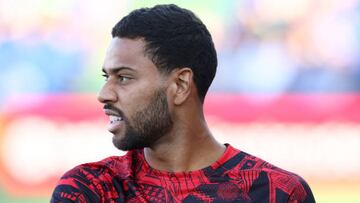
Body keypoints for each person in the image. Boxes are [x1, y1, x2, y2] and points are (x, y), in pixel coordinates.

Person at [51, 4, 315, 203]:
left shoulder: (278, 192)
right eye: (106, 77)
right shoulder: (88, 190)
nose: (104, 94)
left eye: (124, 77)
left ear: (180, 85)